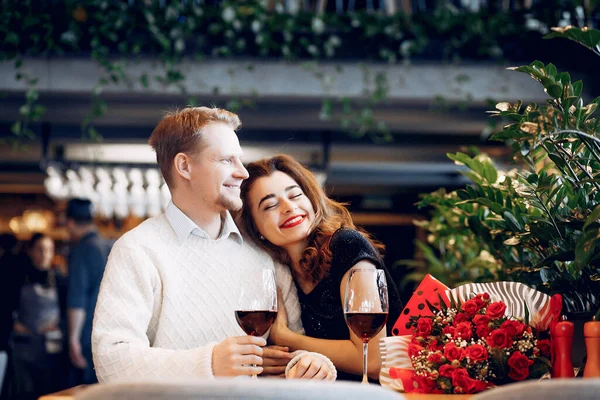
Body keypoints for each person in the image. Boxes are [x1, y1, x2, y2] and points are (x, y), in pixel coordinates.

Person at [92, 107, 335, 382]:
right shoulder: (138, 249)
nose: (243, 173)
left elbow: (296, 346)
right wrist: (209, 363)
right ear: (184, 166)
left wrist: (310, 363)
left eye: (240, 160)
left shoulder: (263, 251)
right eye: (227, 160)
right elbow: (111, 360)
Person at [238, 154, 403, 381]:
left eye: (295, 195)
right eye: (270, 205)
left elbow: (372, 361)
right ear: (255, 227)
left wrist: (286, 338)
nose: (289, 207)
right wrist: (266, 359)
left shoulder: (346, 245)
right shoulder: (280, 274)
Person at [10, 233, 66, 400]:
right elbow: (6, 307)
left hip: (52, 345)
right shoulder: (17, 277)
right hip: (24, 345)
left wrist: (59, 324)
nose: (45, 255)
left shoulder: (60, 279)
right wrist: (14, 324)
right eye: (40, 250)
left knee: (51, 392)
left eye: (49, 250)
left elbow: (68, 313)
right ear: (31, 251)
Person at [65, 198, 113, 384]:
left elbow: (77, 301)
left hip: (87, 337)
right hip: (110, 336)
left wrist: (73, 339)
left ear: (70, 223)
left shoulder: (82, 250)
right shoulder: (110, 245)